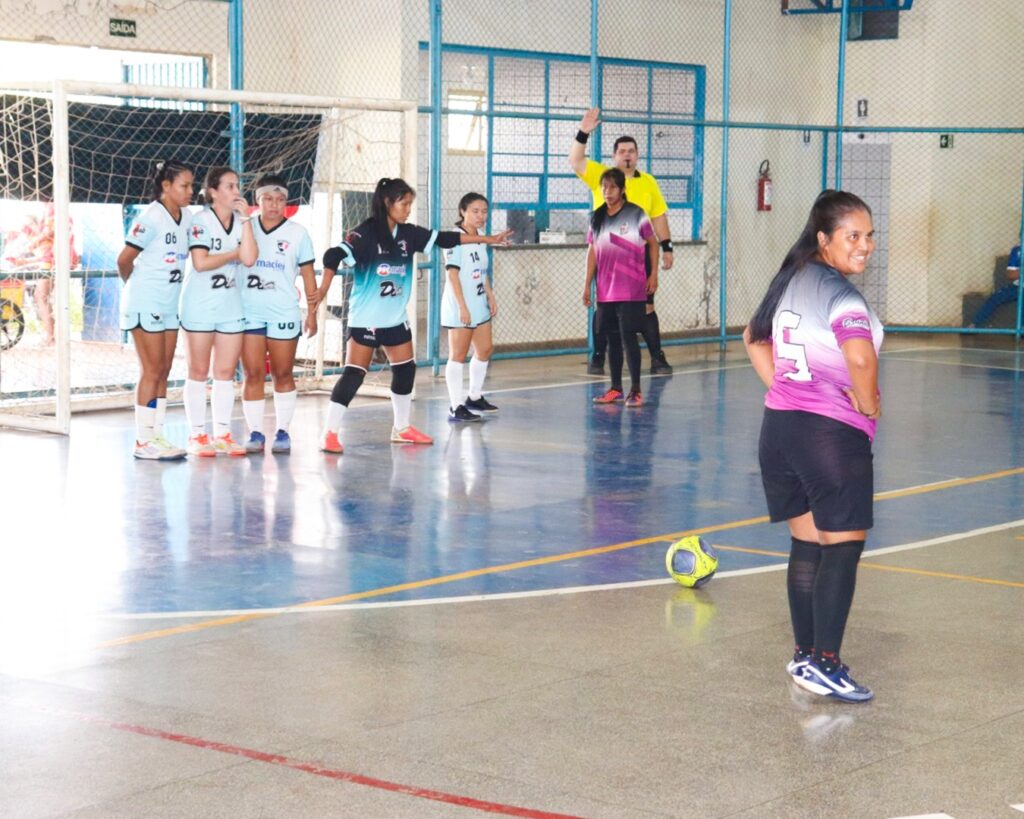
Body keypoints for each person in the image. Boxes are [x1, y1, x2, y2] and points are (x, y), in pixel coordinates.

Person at [743, 189, 883, 703]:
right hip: (828, 436)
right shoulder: (842, 295)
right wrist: (867, 405)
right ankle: (826, 661)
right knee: (842, 547)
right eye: (853, 235)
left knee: (807, 544)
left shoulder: (792, 279)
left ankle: (806, 655)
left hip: (779, 429)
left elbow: (752, 337)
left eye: (869, 235)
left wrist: (784, 388)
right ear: (824, 239)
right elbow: (861, 360)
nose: (865, 245)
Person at [319, 177, 511, 454]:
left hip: (395, 318)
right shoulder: (366, 233)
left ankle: (401, 428)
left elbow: (447, 238)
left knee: (406, 369)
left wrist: (486, 239)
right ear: (387, 203)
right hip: (367, 318)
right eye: (404, 203)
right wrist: (324, 286)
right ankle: (329, 433)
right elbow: (332, 255)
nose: (408, 208)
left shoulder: (408, 233)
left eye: (410, 203)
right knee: (354, 374)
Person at [570, 106, 674, 376]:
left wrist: (667, 247)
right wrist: (583, 132)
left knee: (647, 306)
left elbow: (659, 217)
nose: (627, 155)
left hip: (638, 256)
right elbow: (576, 161)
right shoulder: (602, 177)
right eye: (622, 151)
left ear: (637, 155)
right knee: (605, 306)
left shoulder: (649, 182)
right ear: (614, 156)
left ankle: (657, 357)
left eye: (631, 151)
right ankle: (598, 357)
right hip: (608, 255)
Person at [116, 160, 194, 460]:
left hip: (169, 305)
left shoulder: (186, 218)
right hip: (145, 302)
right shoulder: (150, 218)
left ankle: (156, 436)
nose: (190, 191)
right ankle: (143, 441)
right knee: (150, 370)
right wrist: (137, 288)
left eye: (191, 185)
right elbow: (124, 260)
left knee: (164, 369)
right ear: (166, 187)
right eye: (184, 186)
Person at [179, 166, 258, 457]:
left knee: (225, 372)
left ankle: (223, 433)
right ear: (213, 191)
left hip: (230, 306)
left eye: (237, 185)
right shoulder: (200, 221)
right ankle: (197, 435)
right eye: (229, 186)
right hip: (199, 306)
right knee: (198, 371)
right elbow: (200, 262)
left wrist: (248, 220)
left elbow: (249, 259)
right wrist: (233, 253)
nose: (236, 191)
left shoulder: (242, 222)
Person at [239, 174, 319, 455]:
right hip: (249, 313)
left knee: (283, 373)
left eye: (280, 199)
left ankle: (283, 430)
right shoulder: (244, 228)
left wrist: (312, 313)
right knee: (253, 374)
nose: (274, 205)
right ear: (257, 201)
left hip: (283, 311)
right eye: (268, 199)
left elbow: (309, 276)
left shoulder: (298, 233)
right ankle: (256, 432)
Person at [583, 169, 659, 408]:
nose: (608, 192)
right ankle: (615, 388)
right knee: (611, 339)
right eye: (604, 187)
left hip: (632, 289)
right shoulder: (596, 217)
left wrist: (653, 274)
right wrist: (587, 284)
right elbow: (593, 251)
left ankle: (635, 390)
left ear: (622, 189)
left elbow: (653, 244)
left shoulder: (637, 214)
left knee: (629, 338)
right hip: (605, 291)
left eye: (613, 187)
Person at [442, 192, 499, 422]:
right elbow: (453, 275)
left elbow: (481, 272)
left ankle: (474, 397)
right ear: (462, 211)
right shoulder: (454, 238)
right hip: (460, 305)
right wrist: (462, 307)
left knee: (485, 349)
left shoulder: (481, 237)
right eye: (475, 211)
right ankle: (455, 406)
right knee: (458, 355)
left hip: (478, 303)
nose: (480, 216)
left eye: (484, 211)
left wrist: (490, 294)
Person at [970, 243, 1021, 327]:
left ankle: (1021, 329)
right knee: (995, 298)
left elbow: (1015, 273)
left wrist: (1018, 272)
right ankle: (974, 324)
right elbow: (1010, 274)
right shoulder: (1017, 250)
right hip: (1017, 286)